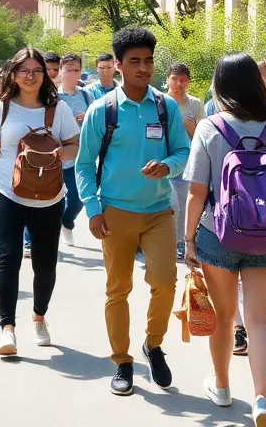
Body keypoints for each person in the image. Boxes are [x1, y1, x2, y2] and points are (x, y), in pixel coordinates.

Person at [75, 27, 190, 396]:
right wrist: (93, 210)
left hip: (159, 211)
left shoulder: (165, 106)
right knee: (118, 289)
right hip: (115, 213)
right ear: (119, 66)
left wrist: (167, 167)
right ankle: (122, 361)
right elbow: (82, 164)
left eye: (148, 60)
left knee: (164, 281)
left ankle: (153, 345)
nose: (144, 68)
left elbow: (184, 153)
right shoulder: (102, 110)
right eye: (135, 61)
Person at [184, 53, 266, 426]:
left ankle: (222, 385)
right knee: (260, 320)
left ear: (220, 85)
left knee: (224, 316)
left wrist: (189, 240)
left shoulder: (210, 127)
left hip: (219, 234)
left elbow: (197, 191)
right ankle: (262, 398)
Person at [0, 48, 79, 356]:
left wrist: (62, 152)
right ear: (13, 74)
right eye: (24, 70)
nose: (30, 76)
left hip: (49, 195)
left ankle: (39, 317)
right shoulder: (1, 110)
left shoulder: (56, 109)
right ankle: (7, 328)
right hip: (5, 191)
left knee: (45, 265)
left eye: (36, 70)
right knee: (9, 258)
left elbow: (75, 145)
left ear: (46, 75)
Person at [165, 62, 205, 260]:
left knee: (181, 205)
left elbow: (202, 135)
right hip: (162, 160)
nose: (178, 83)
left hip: (185, 162)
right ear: (167, 80)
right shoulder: (160, 101)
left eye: (182, 79)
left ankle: (179, 241)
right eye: (174, 79)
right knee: (167, 202)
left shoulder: (195, 104)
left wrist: (190, 127)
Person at [56, 53, 94, 247]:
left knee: (78, 198)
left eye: (77, 70)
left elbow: (96, 122)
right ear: (61, 71)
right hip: (56, 155)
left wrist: (86, 117)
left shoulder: (87, 95)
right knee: (50, 199)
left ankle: (67, 221)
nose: (73, 74)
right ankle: (39, 238)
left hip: (79, 156)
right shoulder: (53, 96)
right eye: (69, 70)